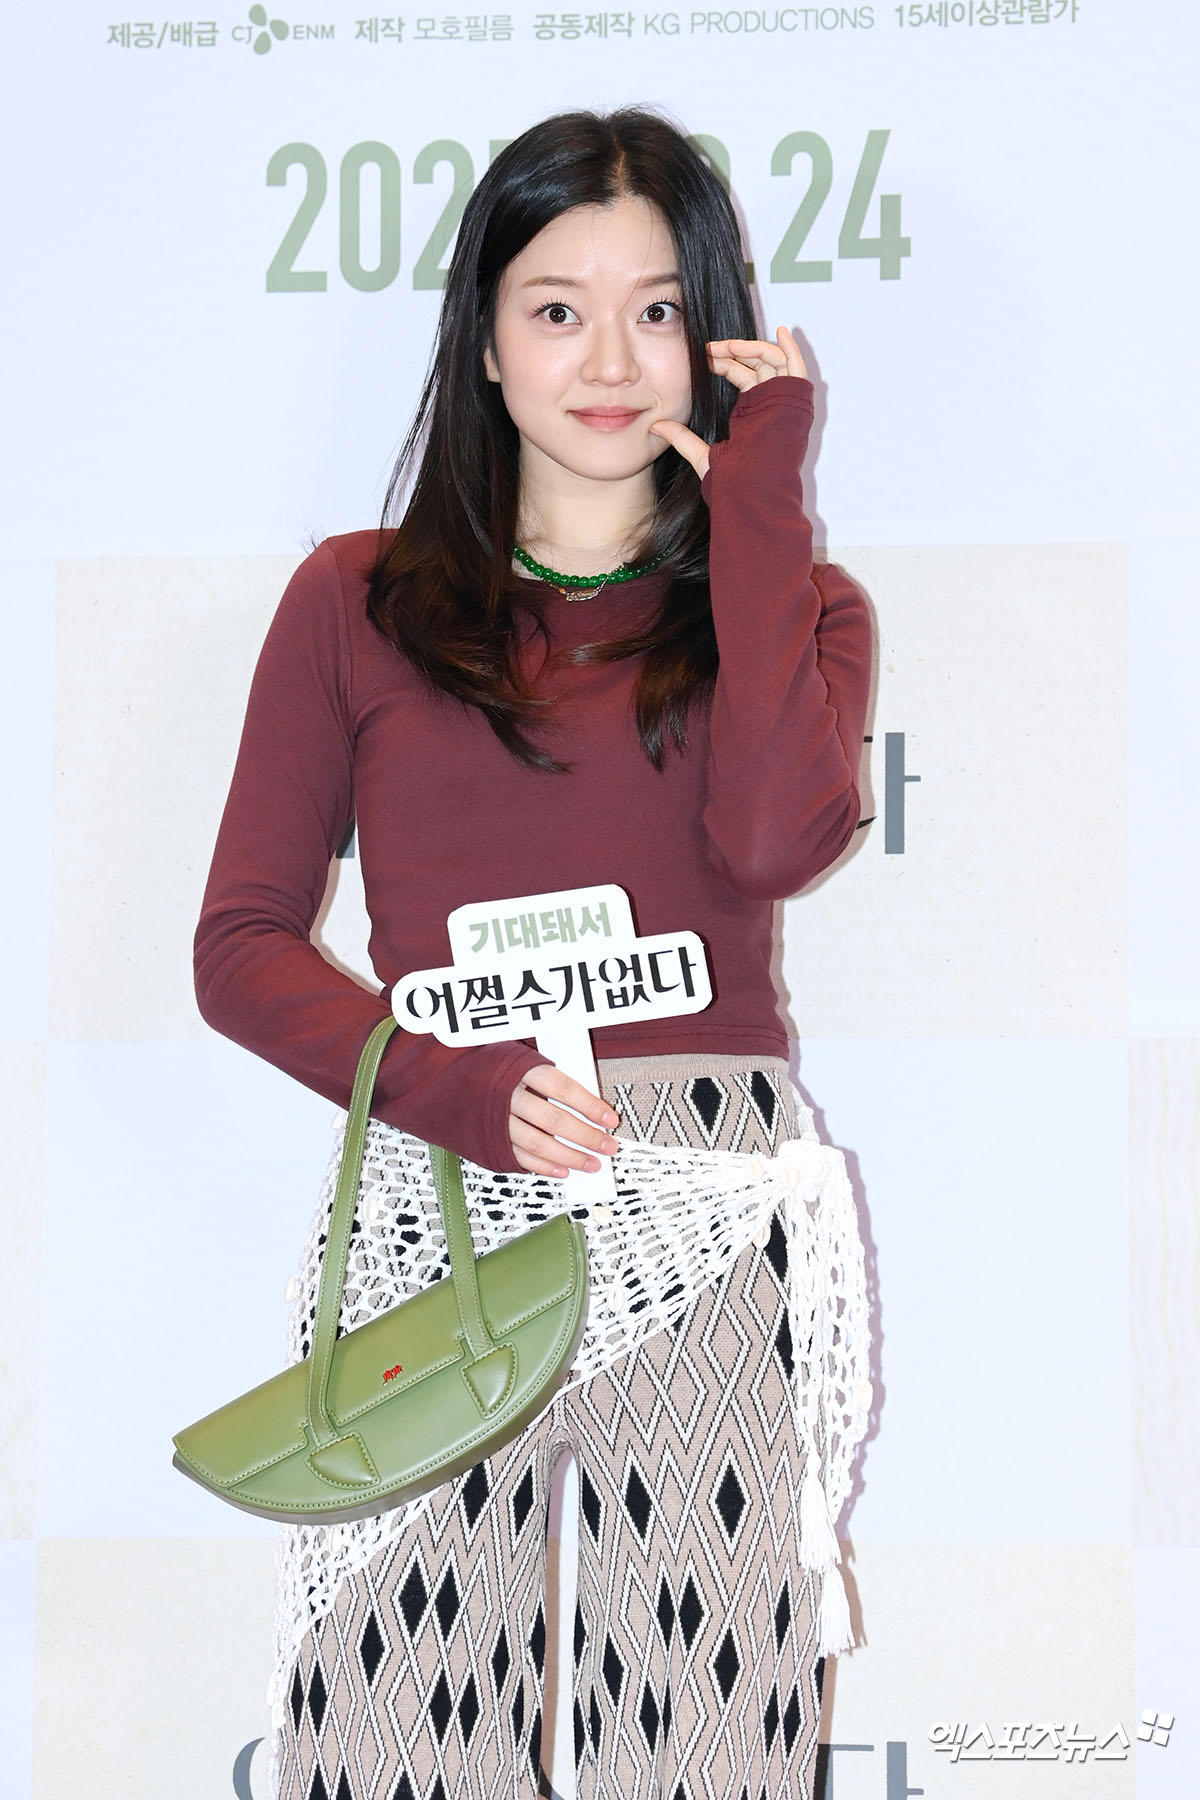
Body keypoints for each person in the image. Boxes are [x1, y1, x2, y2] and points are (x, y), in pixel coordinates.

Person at [194, 106, 873, 1800]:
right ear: (486, 344)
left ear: (712, 341)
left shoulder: (800, 607)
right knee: (399, 1734)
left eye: (658, 311)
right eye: (557, 309)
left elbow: (774, 843)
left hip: (703, 1199)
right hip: (440, 1180)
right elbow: (241, 944)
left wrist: (762, 502)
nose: (610, 361)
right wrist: (453, 1087)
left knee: (708, 1746)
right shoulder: (354, 601)